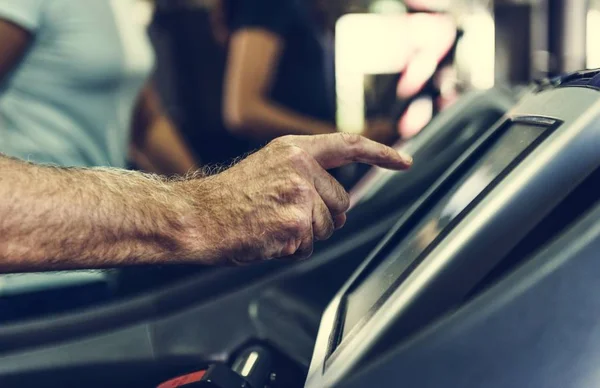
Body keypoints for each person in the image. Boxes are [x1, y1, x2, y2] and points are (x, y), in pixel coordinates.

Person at [0, 133, 412, 272]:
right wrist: (204, 212)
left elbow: (146, 123)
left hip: (101, 254)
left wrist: (223, 188)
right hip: (31, 272)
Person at [0, 0, 197, 175]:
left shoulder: (123, 6)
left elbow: (146, 122)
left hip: (100, 196)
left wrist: (204, 198)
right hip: (34, 195)